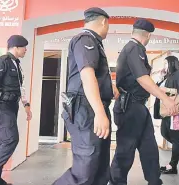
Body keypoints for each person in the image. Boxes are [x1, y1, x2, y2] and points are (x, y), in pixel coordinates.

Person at [52, 7, 119, 185]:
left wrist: (110, 88)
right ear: (104, 21)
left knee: (100, 166)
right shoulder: (85, 39)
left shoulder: (94, 42)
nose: (108, 29)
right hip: (86, 110)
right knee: (86, 168)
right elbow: (87, 75)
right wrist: (99, 112)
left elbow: (94, 76)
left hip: (92, 107)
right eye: (108, 25)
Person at [109, 19, 178, 185]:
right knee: (126, 149)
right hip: (130, 107)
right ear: (147, 35)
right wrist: (165, 99)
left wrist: (158, 81)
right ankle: (116, 182)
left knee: (149, 147)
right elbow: (141, 79)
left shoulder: (135, 49)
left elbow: (140, 79)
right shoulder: (133, 48)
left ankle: (154, 180)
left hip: (138, 106)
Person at [0, 35, 32, 185]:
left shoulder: (17, 64)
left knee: (3, 139)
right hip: (2, 105)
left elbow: (20, 88)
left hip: (12, 105)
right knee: (11, 139)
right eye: (24, 47)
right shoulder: (1, 62)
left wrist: (26, 105)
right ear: (16, 47)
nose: (25, 50)